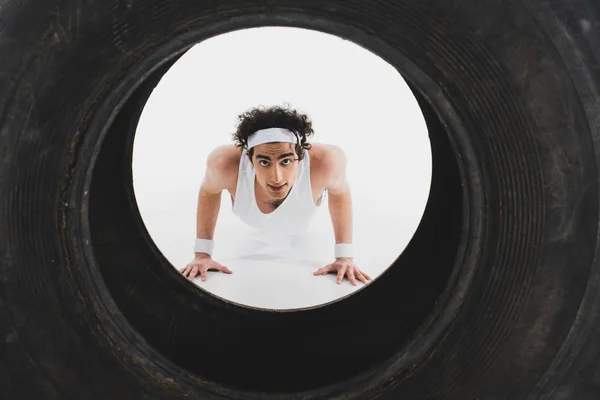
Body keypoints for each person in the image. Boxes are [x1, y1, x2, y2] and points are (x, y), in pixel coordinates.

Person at [179, 105, 371, 286]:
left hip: (300, 222)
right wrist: (202, 254)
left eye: (286, 161)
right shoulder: (223, 164)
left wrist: (344, 256)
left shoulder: (327, 162)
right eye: (264, 162)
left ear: (301, 155)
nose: (276, 177)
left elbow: (341, 192)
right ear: (249, 158)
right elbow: (209, 191)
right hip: (252, 220)